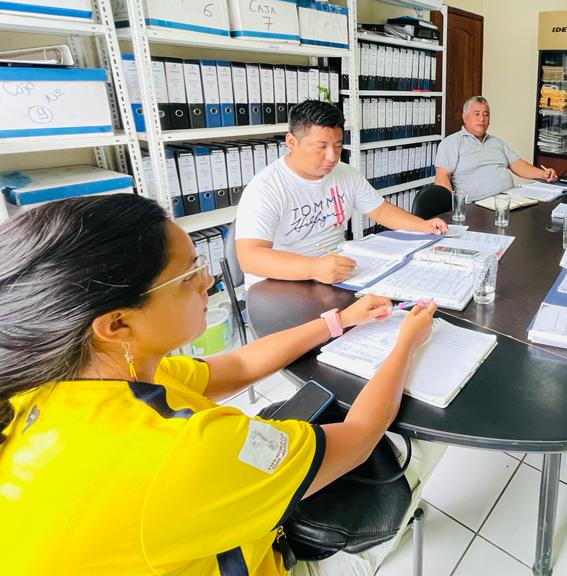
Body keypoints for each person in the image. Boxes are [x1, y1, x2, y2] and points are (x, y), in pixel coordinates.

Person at [0, 194, 438, 574]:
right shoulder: (181, 448)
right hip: (256, 558)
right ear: (117, 324)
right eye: (188, 275)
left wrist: (339, 320)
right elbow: (359, 437)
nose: (208, 282)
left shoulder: (67, 378)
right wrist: (405, 344)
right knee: (419, 443)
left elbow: (238, 366)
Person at [236, 100, 447, 288]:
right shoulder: (266, 188)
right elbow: (250, 257)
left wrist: (423, 225)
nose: (332, 157)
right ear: (291, 142)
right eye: (321, 147)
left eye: (337, 146)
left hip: (339, 273)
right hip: (282, 282)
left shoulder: (345, 173)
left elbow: (380, 211)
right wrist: (314, 268)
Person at [434, 96, 556, 201]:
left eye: (486, 114)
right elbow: (442, 177)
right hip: (476, 207)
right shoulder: (451, 143)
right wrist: (452, 209)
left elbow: (517, 164)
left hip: (508, 200)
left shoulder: (497, 142)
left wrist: (543, 174)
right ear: (464, 117)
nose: (482, 119)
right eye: (476, 114)